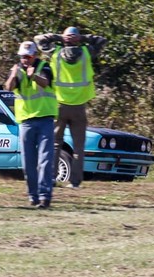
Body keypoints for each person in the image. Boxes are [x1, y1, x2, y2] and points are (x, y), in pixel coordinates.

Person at [34, 26, 107, 188]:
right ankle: (75, 182)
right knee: (78, 146)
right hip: (79, 106)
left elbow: (38, 39)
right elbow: (102, 41)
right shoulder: (87, 53)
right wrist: (82, 38)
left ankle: (52, 177)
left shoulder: (55, 52)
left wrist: (61, 37)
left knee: (55, 143)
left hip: (59, 104)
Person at [5, 41, 57, 209]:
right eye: (22, 56)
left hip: (45, 120)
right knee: (28, 162)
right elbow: (8, 87)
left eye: (28, 56)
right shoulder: (18, 69)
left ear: (35, 56)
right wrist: (13, 75)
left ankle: (44, 197)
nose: (25, 59)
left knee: (45, 160)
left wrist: (33, 75)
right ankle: (32, 195)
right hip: (26, 121)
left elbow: (46, 82)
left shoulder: (44, 66)